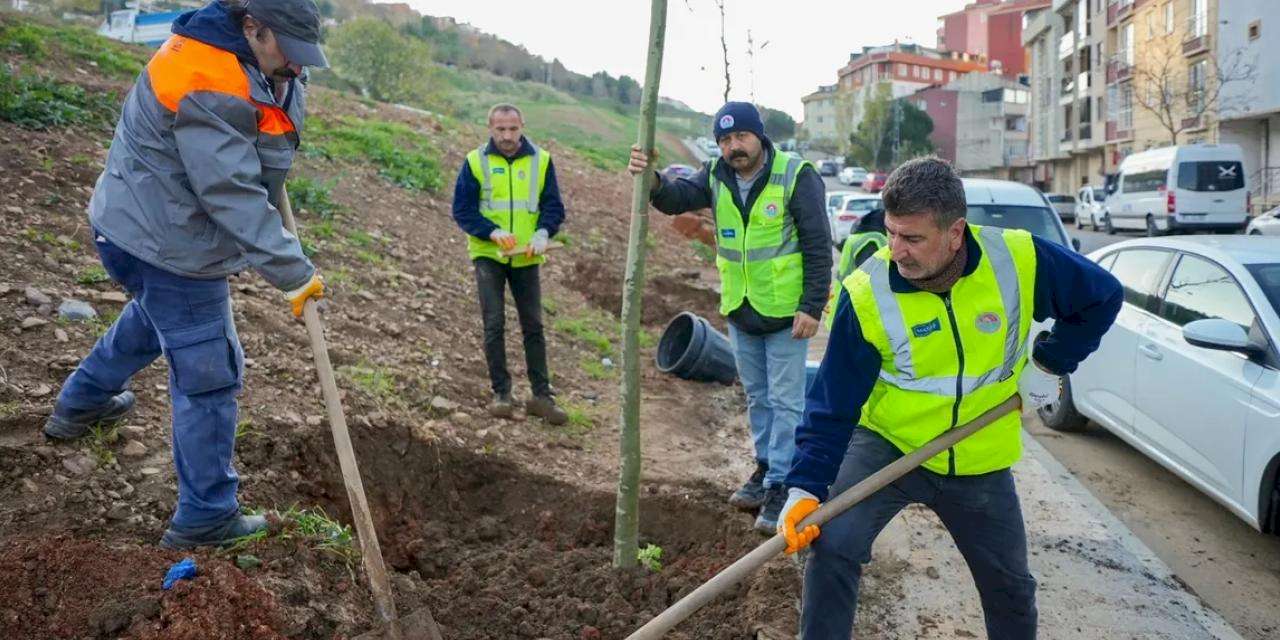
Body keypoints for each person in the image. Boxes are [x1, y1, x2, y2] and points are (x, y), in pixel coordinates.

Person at [778, 157, 1123, 639]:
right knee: (833, 546)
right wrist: (804, 487)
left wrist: (1051, 362)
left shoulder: (1018, 260)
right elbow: (832, 405)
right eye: (891, 232)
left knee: (1010, 587)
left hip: (978, 455)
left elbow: (1102, 295)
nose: (896, 250)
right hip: (890, 445)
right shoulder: (868, 293)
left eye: (912, 238)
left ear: (955, 232)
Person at [43, 0, 329, 549]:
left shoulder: (254, 56)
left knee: (155, 320)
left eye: (304, 54)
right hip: (168, 241)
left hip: (135, 226)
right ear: (252, 27)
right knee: (209, 372)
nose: (297, 65)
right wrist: (292, 271)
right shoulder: (206, 76)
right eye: (290, 52)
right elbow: (228, 190)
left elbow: (266, 121)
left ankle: (81, 403)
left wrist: (277, 109)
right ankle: (206, 517)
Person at [627, 102, 832, 533]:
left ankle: (782, 485)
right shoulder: (716, 175)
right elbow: (676, 198)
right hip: (741, 308)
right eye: (724, 140)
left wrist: (812, 306)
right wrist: (654, 181)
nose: (733, 147)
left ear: (759, 136)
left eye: (740, 137)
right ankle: (765, 468)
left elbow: (818, 245)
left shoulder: (796, 175)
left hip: (786, 313)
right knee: (757, 397)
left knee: (786, 401)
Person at [452, 104, 568, 425]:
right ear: (490, 128)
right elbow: (462, 210)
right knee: (494, 324)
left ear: (522, 127)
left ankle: (541, 397)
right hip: (489, 255)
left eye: (513, 129)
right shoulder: (475, 161)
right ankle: (501, 394)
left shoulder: (541, 160)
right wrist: (492, 231)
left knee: (534, 326)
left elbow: (553, 206)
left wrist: (544, 232)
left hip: (526, 256)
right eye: (500, 129)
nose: (507, 135)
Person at [825, 208, 888, 326]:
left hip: (843, 306)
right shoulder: (872, 240)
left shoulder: (859, 235)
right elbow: (870, 282)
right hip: (855, 312)